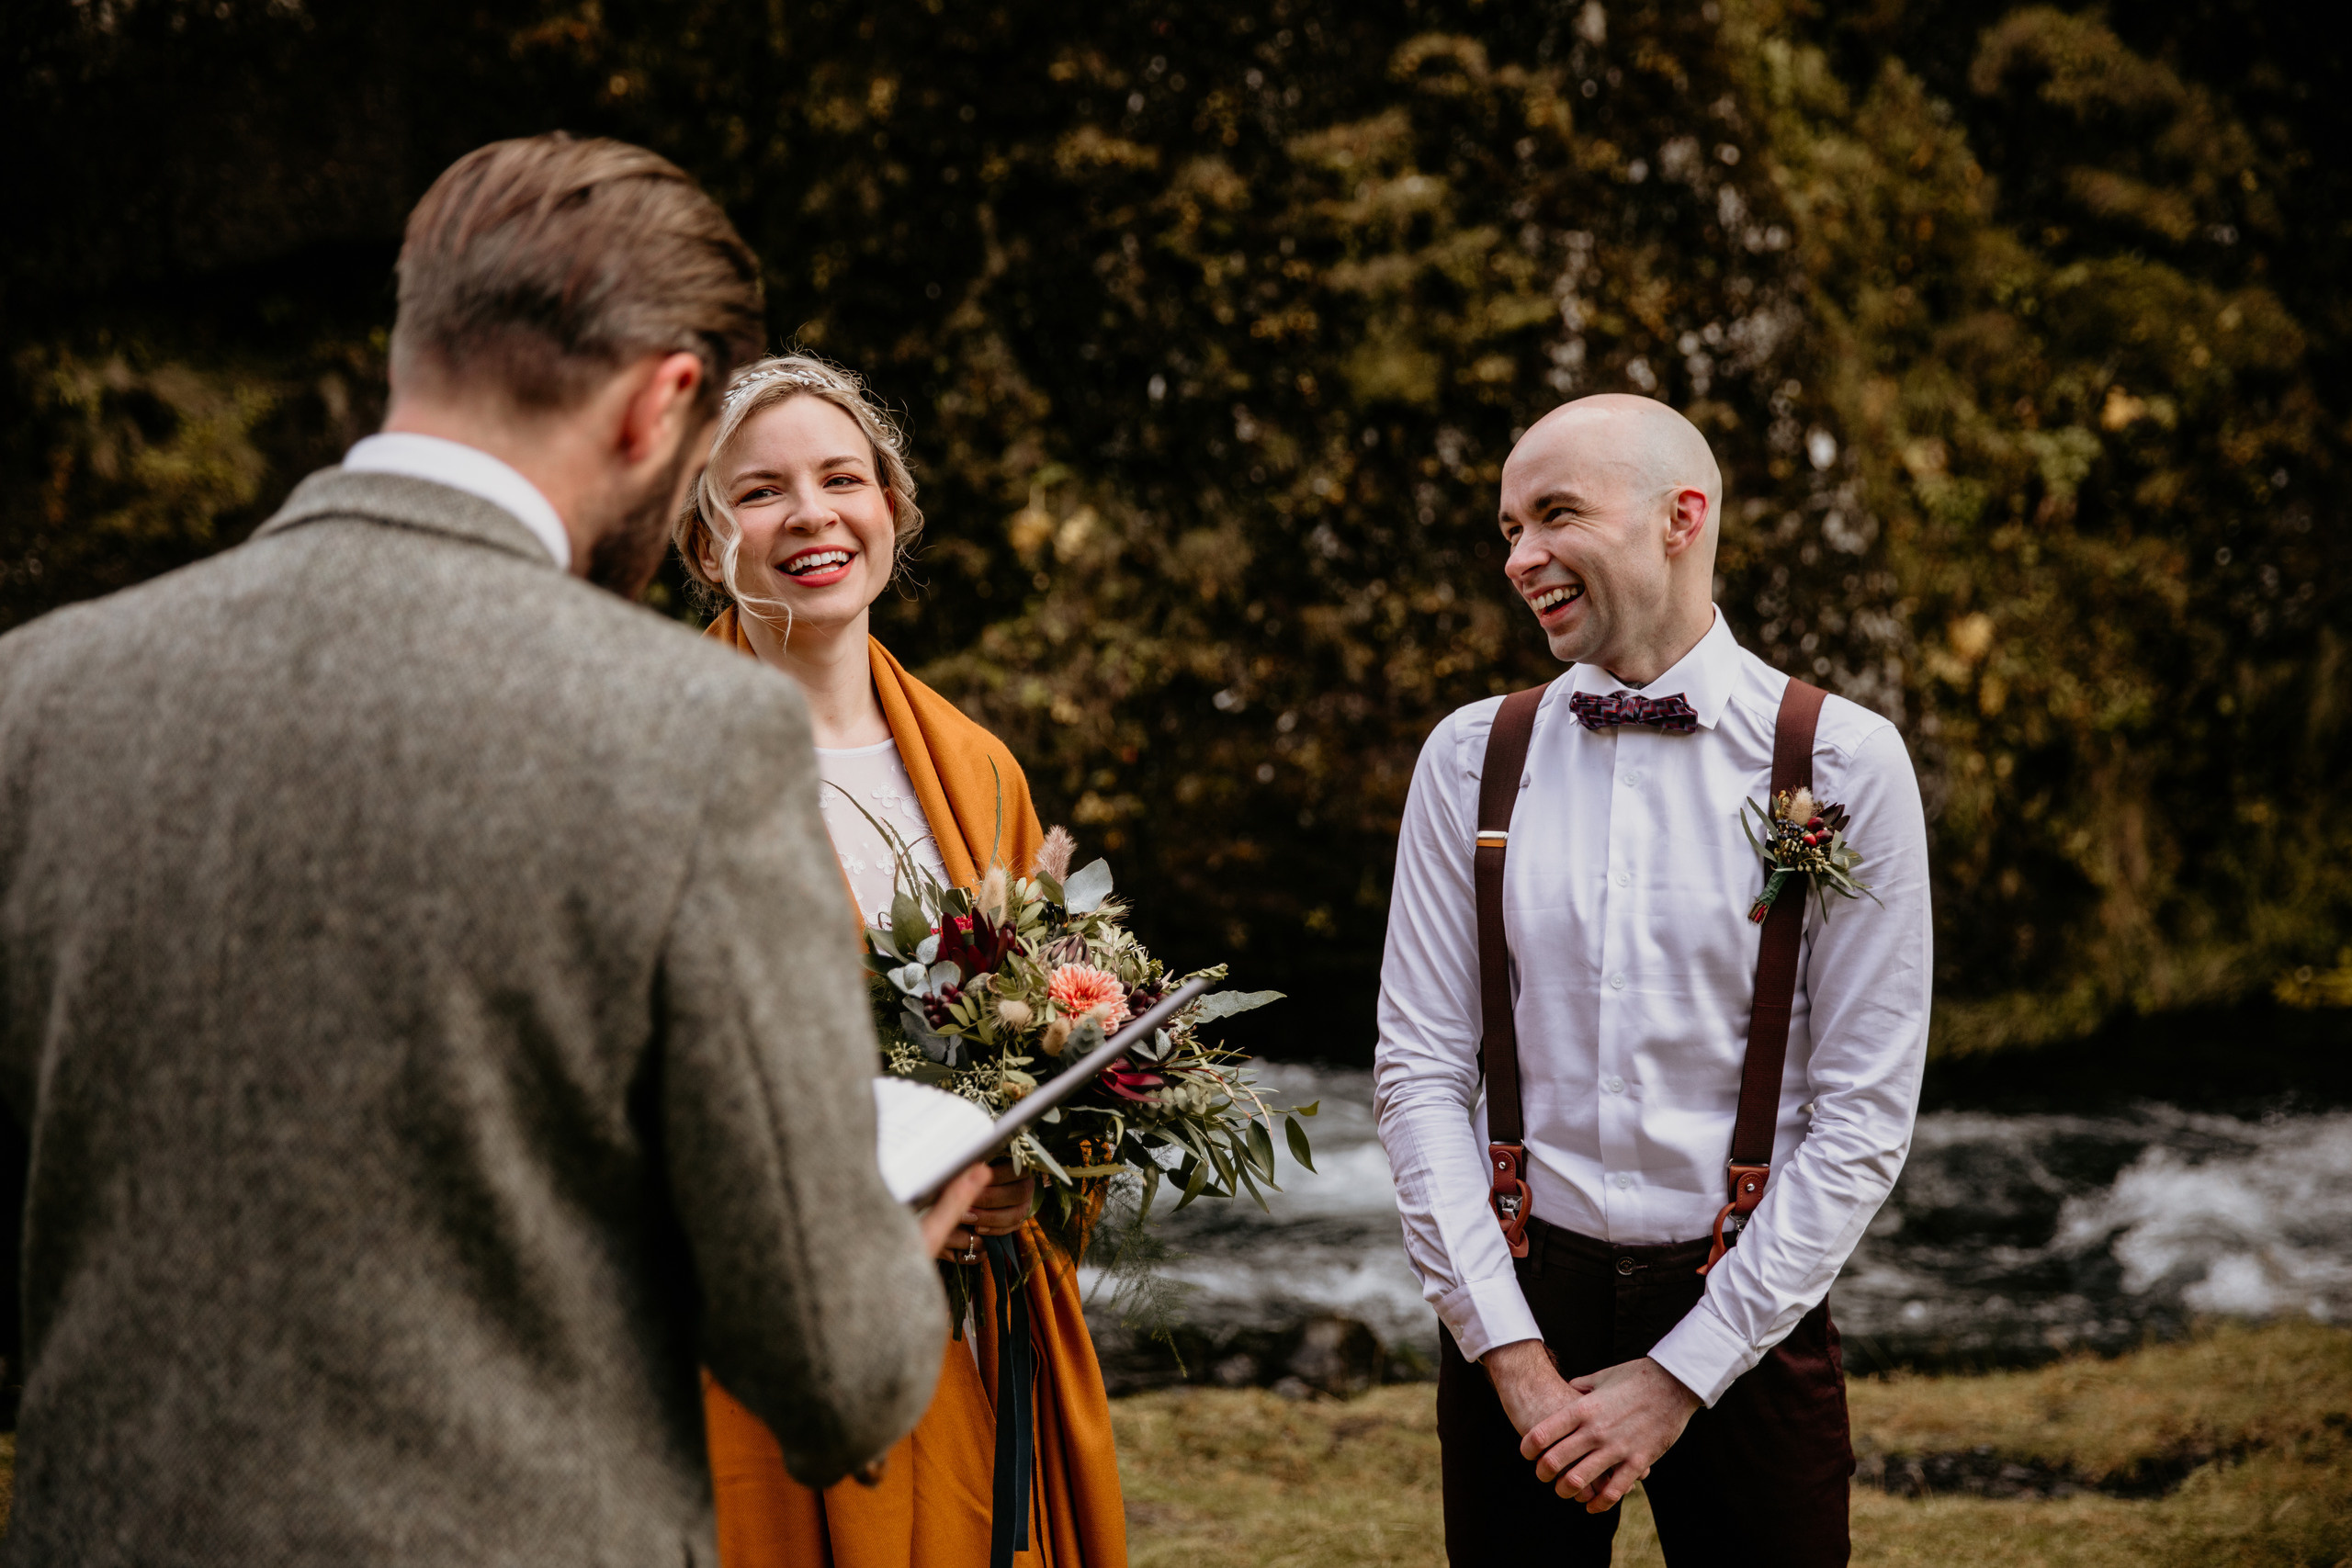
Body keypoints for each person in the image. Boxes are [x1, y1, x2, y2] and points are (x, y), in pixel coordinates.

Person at [0, 134, 987, 1567]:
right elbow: (829, 1370)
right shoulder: (693, 735)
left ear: (421, 331)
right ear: (663, 405)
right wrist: (900, 1254)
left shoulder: (36, 694)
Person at [1374, 393, 1931, 1564]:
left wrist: (1680, 1376)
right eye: (1509, 527)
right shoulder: (1470, 758)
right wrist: (1509, 1358)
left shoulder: (1842, 759)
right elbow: (1421, 1073)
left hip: (1749, 1309)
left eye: (1555, 515)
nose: (1520, 557)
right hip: (1519, 1297)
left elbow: (1862, 1113)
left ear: (1682, 517)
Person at [673, 354, 1128, 1568]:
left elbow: (1055, 1034)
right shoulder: (654, 756)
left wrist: (1028, 1172)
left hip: (972, 1317)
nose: (811, 514)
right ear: (706, 537)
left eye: (842, 477)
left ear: (891, 506)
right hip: (758, 1331)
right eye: (760, 491)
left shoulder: (978, 765)